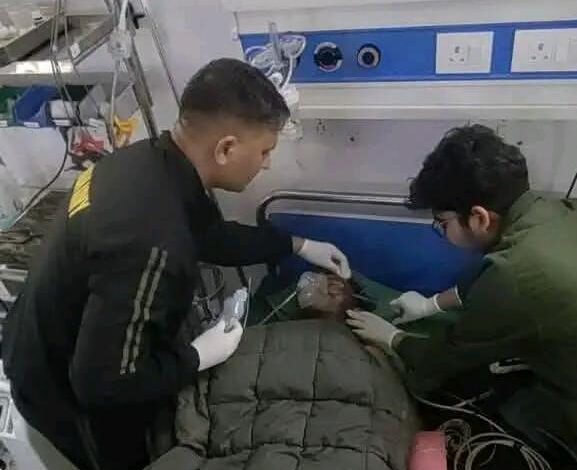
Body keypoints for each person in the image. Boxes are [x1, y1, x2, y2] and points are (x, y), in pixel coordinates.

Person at [2, 58, 350, 470]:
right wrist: (197, 356)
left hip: (46, 333)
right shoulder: (152, 241)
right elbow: (102, 383)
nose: (267, 163)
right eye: (265, 151)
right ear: (226, 149)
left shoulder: (144, 163)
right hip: (62, 390)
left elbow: (209, 236)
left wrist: (295, 244)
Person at [346, 124, 577, 453]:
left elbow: (446, 358)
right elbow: (498, 277)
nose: (442, 232)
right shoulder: (552, 211)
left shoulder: (514, 274)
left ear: (479, 218)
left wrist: (393, 338)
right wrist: (432, 304)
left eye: (442, 224)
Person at [168, 272, 419, 470]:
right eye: (326, 280)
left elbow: (393, 416)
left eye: (338, 284)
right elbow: (201, 404)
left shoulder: (377, 354)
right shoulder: (245, 341)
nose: (329, 285)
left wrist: (392, 342)